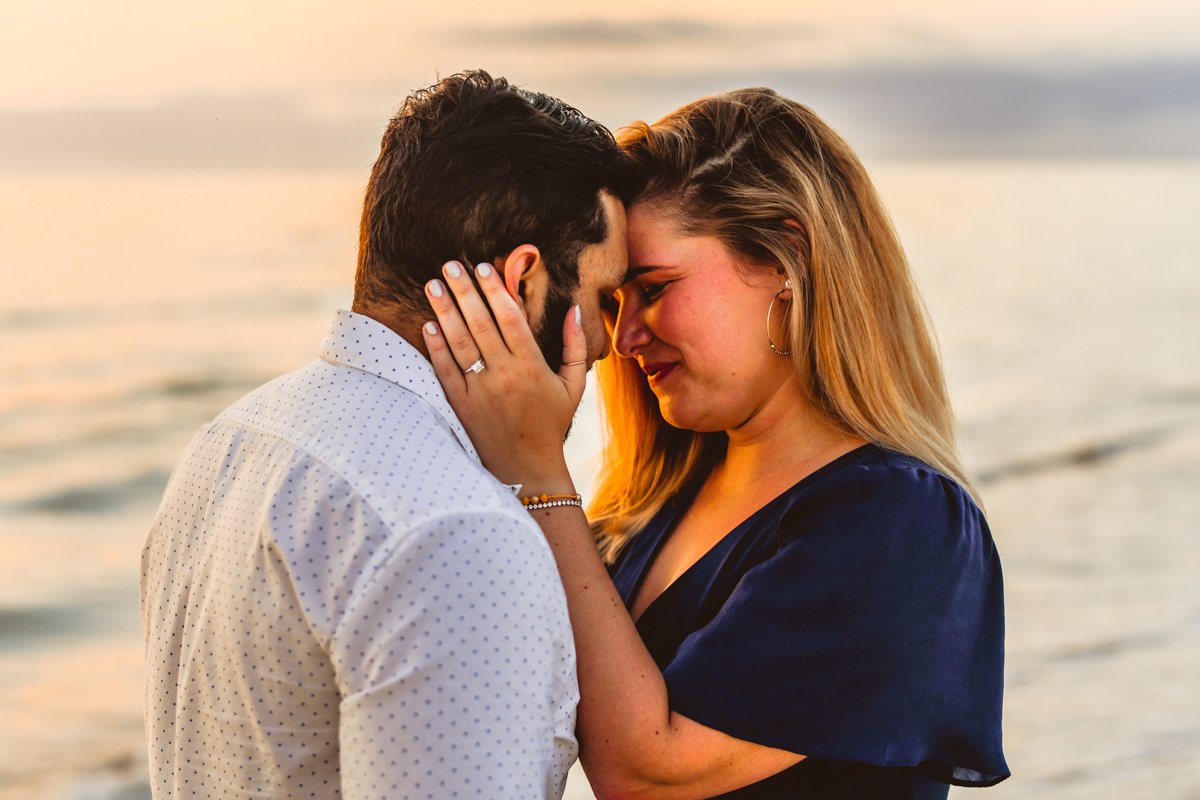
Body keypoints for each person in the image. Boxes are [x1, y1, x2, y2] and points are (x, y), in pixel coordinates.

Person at [420, 88, 1009, 799]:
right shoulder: (648, 509)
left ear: (787, 259)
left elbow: (646, 771)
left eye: (657, 288)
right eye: (614, 299)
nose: (624, 337)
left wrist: (535, 466)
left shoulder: (901, 524)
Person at [139, 70, 634, 800]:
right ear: (524, 280)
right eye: (607, 298)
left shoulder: (227, 443)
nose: (611, 341)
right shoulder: (457, 532)